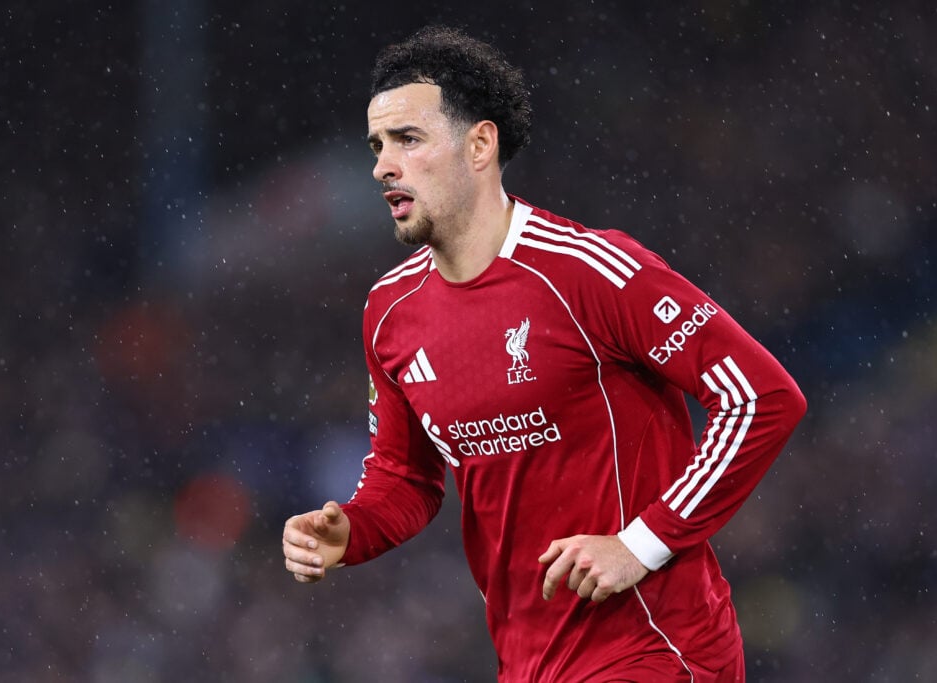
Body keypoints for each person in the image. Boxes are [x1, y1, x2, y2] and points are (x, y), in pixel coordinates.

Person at [283, 25, 806, 682]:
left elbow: (759, 397)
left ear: (480, 144)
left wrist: (640, 544)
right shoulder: (390, 311)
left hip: (655, 648)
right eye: (377, 145)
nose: (383, 165)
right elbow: (406, 477)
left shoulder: (588, 271)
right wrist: (351, 532)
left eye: (408, 139)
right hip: (529, 661)